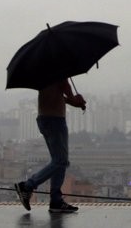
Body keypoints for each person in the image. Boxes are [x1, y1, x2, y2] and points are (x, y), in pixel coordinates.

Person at [14, 79, 87, 214]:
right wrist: (74, 99)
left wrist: (72, 101)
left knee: (58, 161)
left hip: (46, 118)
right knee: (61, 161)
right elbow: (64, 84)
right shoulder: (57, 65)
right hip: (55, 120)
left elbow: (56, 94)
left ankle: (56, 201)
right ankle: (27, 186)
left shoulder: (45, 70)